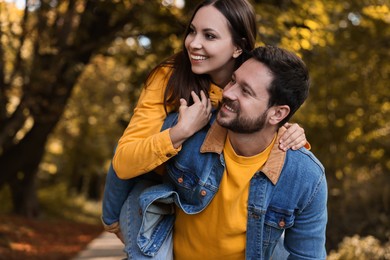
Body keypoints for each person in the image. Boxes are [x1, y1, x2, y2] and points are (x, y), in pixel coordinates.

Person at [102, 0, 308, 258]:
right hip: (158, 184)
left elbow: (267, 117)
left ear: (238, 47)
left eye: (209, 35)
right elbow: (123, 159)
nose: (193, 43)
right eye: (191, 31)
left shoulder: (254, 83)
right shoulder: (168, 77)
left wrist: (289, 131)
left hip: (215, 199)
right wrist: (179, 131)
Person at [137, 45, 327, 259]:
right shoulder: (188, 129)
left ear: (277, 114)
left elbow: (307, 256)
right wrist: (114, 222)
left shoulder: (306, 177)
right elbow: (129, 158)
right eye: (233, 80)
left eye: (245, 91)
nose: (227, 93)